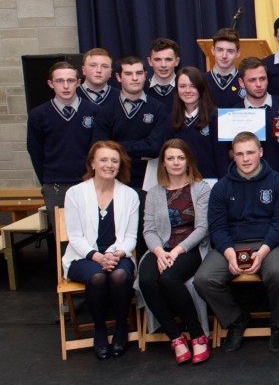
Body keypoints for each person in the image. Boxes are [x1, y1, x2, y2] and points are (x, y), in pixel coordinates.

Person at [194, 132, 279, 353]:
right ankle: (236, 319)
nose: (246, 159)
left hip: (270, 243)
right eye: (240, 154)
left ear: (260, 152)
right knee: (203, 279)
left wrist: (263, 252)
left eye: (250, 152)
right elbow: (217, 227)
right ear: (233, 157)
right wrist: (229, 254)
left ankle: (278, 326)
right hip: (232, 244)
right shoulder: (221, 187)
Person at [62, 141, 139, 360]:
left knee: (120, 275)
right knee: (97, 277)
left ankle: (121, 328)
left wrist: (116, 255)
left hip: (118, 254)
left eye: (114, 160)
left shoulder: (129, 195)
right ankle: (100, 330)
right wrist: (97, 257)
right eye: (103, 160)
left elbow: (131, 237)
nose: (109, 165)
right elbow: (75, 237)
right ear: (92, 163)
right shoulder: (75, 193)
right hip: (84, 256)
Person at [139, 139, 212, 364]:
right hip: (161, 248)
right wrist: (161, 253)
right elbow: (149, 230)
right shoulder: (153, 193)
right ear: (163, 163)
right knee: (148, 280)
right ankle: (176, 337)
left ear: (188, 161)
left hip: (190, 248)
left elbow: (202, 227)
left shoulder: (200, 188)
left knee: (169, 278)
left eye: (180, 158)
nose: (176, 162)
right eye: (170, 158)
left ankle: (198, 335)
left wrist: (177, 251)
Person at [28, 61, 101, 244]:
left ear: (78, 82)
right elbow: (35, 150)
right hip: (56, 186)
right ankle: (68, 273)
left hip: (89, 182)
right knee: (65, 239)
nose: (66, 86)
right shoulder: (39, 114)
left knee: (94, 234)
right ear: (51, 84)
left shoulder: (94, 111)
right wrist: (48, 179)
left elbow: (99, 149)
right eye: (60, 81)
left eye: (70, 80)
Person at [92, 55, 169, 189]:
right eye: (128, 74)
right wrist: (142, 150)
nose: (134, 78)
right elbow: (100, 149)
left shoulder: (159, 108)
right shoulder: (106, 112)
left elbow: (155, 147)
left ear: (145, 75)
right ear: (118, 77)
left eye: (139, 73)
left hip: (151, 182)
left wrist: (116, 147)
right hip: (115, 181)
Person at [234, 57, 279, 178]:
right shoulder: (234, 114)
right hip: (246, 181)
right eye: (252, 80)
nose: (259, 84)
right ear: (241, 83)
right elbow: (228, 152)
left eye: (262, 79)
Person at [170, 66, 227, 179]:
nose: (187, 91)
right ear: (177, 89)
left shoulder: (216, 117)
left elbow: (222, 158)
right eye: (182, 86)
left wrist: (222, 187)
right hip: (180, 182)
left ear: (201, 88)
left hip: (210, 182)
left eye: (193, 86)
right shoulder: (171, 119)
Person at [204, 28, 246, 109]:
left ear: (238, 53)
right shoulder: (201, 81)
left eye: (230, 51)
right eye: (220, 50)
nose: (224, 56)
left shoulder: (246, 81)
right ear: (213, 50)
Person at [144, 38, 180, 110]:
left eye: (168, 59)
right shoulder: (141, 89)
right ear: (150, 61)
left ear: (177, 61)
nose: (163, 65)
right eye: (157, 59)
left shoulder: (188, 90)